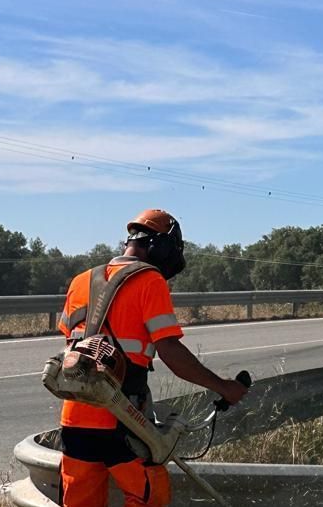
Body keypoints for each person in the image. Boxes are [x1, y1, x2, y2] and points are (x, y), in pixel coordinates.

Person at [56, 208, 249, 507]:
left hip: (75, 417)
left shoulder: (80, 281)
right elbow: (171, 351)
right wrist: (224, 387)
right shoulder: (149, 280)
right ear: (161, 247)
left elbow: (72, 341)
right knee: (149, 495)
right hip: (122, 417)